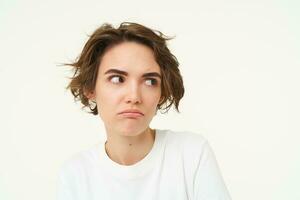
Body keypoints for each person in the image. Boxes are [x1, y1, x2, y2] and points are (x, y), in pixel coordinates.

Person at [58, 22, 231, 200]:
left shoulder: (191, 154)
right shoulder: (76, 174)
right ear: (90, 89)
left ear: (161, 93)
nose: (134, 96)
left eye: (149, 81)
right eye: (117, 79)